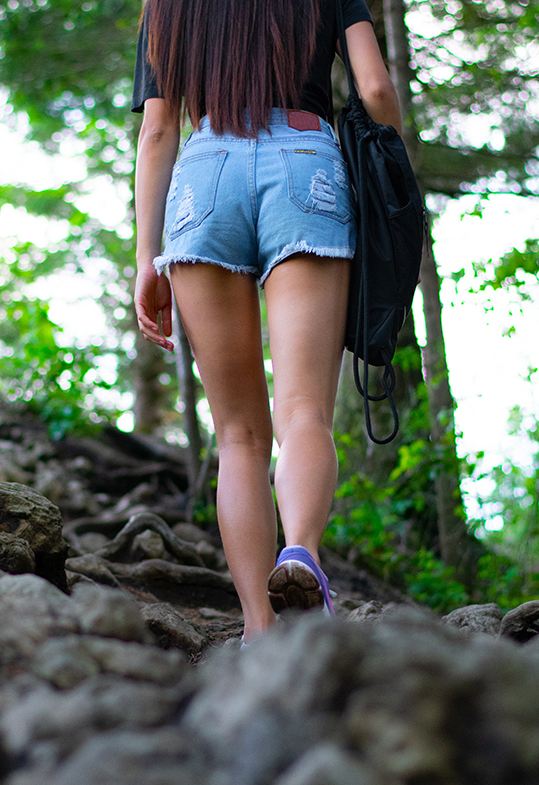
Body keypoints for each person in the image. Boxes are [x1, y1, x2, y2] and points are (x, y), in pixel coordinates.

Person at [132, 0, 402, 644]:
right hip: (305, 165)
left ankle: (257, 624)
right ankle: (301, 552)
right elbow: (375, 89)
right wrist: (387, 170)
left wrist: (147, 257)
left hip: (205, 176)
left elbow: (158, 130)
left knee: (238, 437)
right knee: (304, 410)